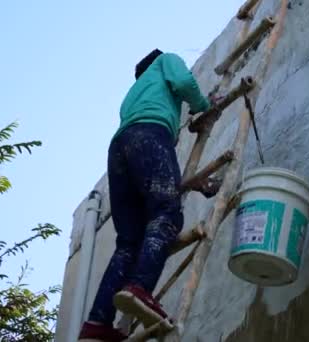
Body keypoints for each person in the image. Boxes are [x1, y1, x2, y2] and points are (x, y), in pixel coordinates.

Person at [78, 49, 214, 341]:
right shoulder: (166, 61)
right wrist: (202, 104)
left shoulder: (133, 95)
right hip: (150, 137)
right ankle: (139, 288)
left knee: (129, 242)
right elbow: (183, 79)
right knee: (166, 214)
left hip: (118, 150)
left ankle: (96, 324)